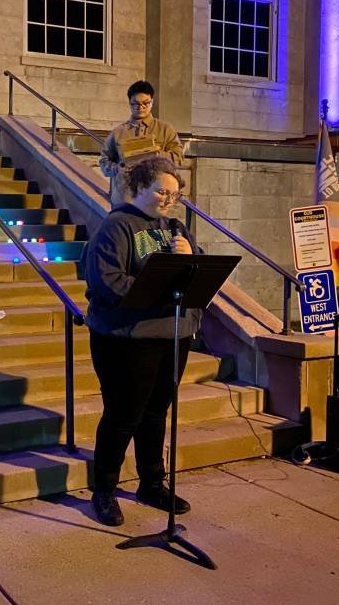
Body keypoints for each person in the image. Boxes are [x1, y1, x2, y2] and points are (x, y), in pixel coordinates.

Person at [84, 156, 203, 527]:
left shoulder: (175, 226)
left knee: (156, 413)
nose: (168, 200)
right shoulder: (116, 226)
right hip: (127, 339)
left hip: (172, 335)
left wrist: (191, 258)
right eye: (161, 192)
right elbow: (108, 283)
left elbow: (198, 277)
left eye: (174, 194)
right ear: (138, 188)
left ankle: (152, 482)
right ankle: (104, 489)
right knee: (123, 416)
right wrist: (163, 290)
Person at [99, 80, 184, 206]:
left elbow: (179, 158)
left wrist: (156, 155)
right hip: (124, 200)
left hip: (156, 200)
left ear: (152, 102)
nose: (141, 107)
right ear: (130, 103)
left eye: (146, 103)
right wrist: (118, 168)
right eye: (136, 104)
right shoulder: (118, 133)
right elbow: (104, 161)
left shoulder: (165, 130)